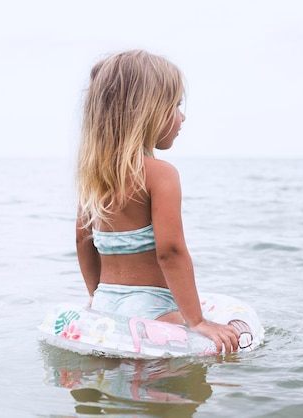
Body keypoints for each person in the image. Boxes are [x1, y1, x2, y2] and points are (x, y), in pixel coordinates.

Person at [75, 50, 239, 353]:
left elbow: (83, 240)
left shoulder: (93, 174)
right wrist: (197, 321)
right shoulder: (160, 174)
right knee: (178, 391)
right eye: (175, 105)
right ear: (148, 111)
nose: (182, 116)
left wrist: (95, 297)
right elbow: (171, 252)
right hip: (153, 308)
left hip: (105, 302)